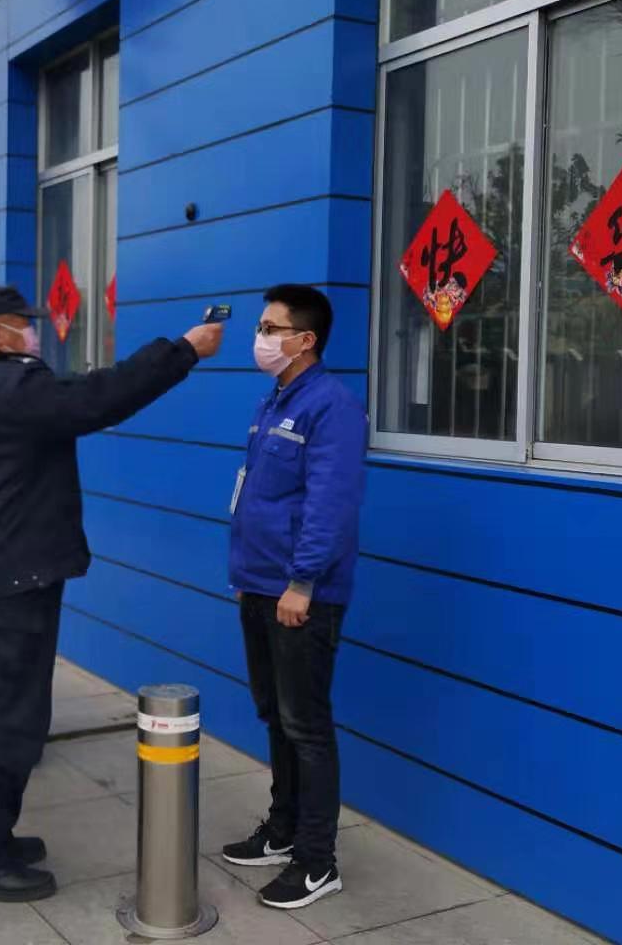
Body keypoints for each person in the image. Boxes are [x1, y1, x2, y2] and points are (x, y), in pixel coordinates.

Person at [0, 283, 224, 903]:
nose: (33, 333)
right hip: (13, 575)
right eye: (23, 324)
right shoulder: (10, 387)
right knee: (5, 721)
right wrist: (184, 350)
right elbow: (99, 398)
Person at [221, 284, 366, 910]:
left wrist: (301, 583)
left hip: (299, 595)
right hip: (259, 586)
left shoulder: (331, 407)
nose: (260, 337)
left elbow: (330, 505)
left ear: (304, 340)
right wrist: (246, 579)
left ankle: (316, 860)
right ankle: (282, 829)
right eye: (262, 327)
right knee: (275, 716)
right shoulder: (274, 401)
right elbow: (257, 495)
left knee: (306, 725)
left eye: (270, 328)